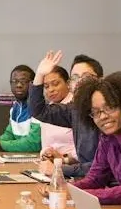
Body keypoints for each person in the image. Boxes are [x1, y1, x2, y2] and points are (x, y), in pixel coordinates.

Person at [30, 51, 102, 179]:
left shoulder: (106, 114)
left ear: (100, 80)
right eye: (75, 78)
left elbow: (100, 166)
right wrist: (40, 74)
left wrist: (60, 169)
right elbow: (39, 111)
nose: (80, 82)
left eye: (85, 76)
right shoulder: (74, 109)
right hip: (86, 179)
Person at [70, 72, 121, 204]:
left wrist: (80, 195)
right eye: (96, 112)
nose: (103, 116)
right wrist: (66, 189)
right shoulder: (107, 138)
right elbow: (95, 178)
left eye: (109, 108)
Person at [0, 65, 41, 153]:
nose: (18, 85)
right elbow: (10, 135)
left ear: (33, 84)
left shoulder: (39, 108)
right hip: (20, 157)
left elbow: (33, 144)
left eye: (23, 81)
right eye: (15, 81)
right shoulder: (14, 108)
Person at [37, 64, 75, 160]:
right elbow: (45, 144)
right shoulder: (48, 109)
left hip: (74, 164)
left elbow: (86, 149)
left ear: (68, 83)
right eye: (46, 86)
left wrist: (63, 158)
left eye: (55, 84)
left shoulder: (76, 105)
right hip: (51, 163)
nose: (51, 90)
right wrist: (46, 153)